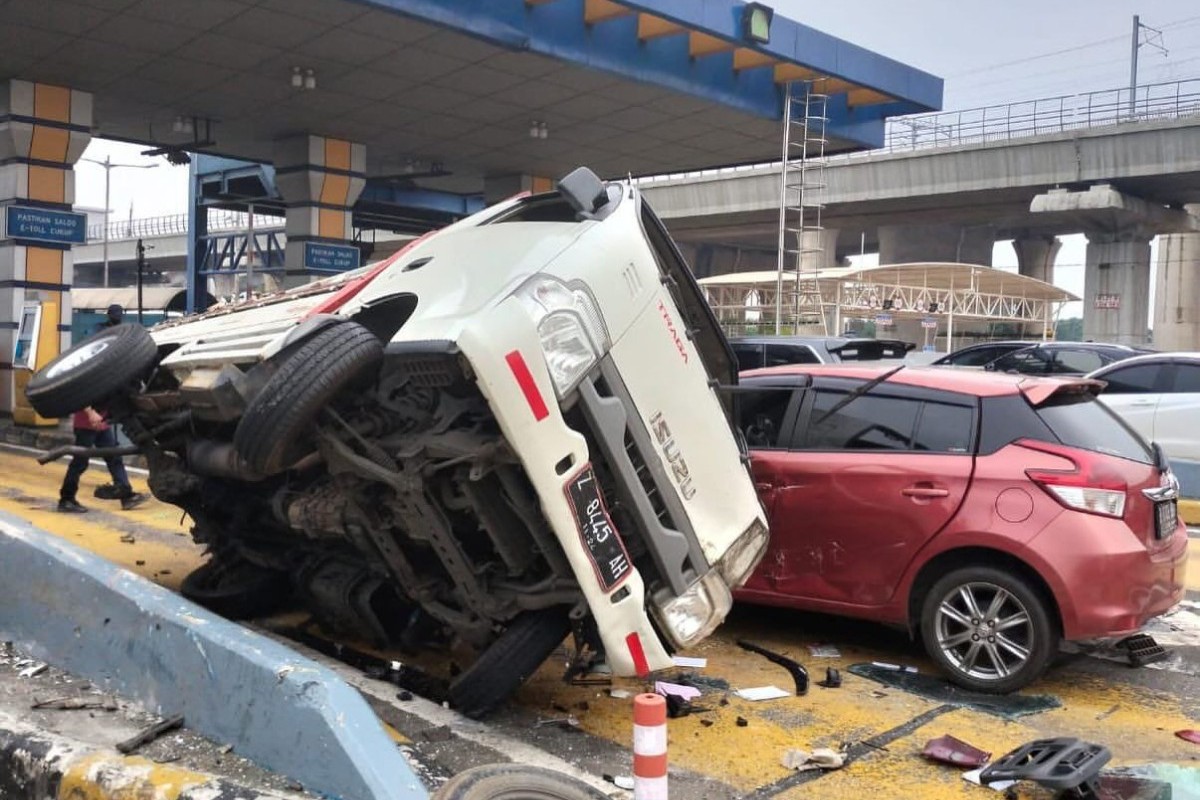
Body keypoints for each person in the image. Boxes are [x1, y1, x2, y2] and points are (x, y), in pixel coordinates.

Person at [58, 405, 145, 513]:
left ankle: (126, 495)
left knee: (114, 458)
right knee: (80, 463)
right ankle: (66, 500)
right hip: (85, 425)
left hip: (102, 424)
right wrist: (91, 413)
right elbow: (82, 398)